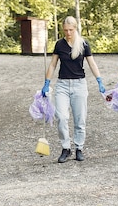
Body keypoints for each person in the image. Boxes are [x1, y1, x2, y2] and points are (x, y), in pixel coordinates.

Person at [41, 16, 105, 163]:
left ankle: (79, 148)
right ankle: (66, 148)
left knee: (80, 119)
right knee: (62, 117)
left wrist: (99, 81)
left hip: (79, 85)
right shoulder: (59, 45)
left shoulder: (83, 44)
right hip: (62, 85)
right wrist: (46, 83)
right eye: (65, 30)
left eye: (71, 30)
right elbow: (52, 64)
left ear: (75, 28)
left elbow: (92, 63)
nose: (68, 33)